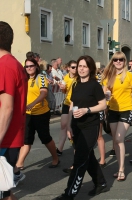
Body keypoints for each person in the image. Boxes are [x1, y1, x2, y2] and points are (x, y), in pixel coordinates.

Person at [55, 55, 108, 199]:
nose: (82, 69)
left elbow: (103, 104)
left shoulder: (94, 85)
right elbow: (72, 105)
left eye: (85, 66)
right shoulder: (75, 84)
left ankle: (69, 194)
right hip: (77, 126)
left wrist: (87, 110)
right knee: (88, 156)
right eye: (80, 66)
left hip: (90, 126)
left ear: (90, 68)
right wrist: (69, 127)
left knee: (79, 160)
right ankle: (101, 183)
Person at [101, 51, 132, 181]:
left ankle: (122, 169)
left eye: (121, 60)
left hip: (126, 110)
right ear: (112, 61)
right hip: (112, 111)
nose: (118, 62)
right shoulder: (108, 76)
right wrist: (106, 97)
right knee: (115, 141)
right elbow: (105, 94)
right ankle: (119, 168)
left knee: (119, 139)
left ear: (124, 61)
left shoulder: (130, 75)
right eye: (115, 59)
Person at [0, 21, 28, 200]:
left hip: (5, 141)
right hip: (10, 139)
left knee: (4, 193)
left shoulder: (4, 65)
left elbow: (7, 108)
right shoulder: (13, 64)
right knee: (5, 192)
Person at [16, 58, 60, 170]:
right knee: (27, 139)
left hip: (41, 113)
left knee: (45, 137)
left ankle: (55, 158)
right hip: (27, 114)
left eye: (31, 65)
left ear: (36, 66)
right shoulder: (24, 79)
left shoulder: (40, 77)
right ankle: (19, 163)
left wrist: (32, 104)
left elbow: (44, 93)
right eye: (27, 66)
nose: (29, 68)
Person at [56, 60, 77, 156]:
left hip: (76, 104)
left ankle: (76, 145)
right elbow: (64, 92)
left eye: (76, 67)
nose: (75, 69)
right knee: (63, 125)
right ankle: (59, 148)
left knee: (72, 126)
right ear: (68, 68)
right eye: (73, 67)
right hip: (67, 103)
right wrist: (62, 88)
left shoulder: (79, 78)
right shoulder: (66, 77)